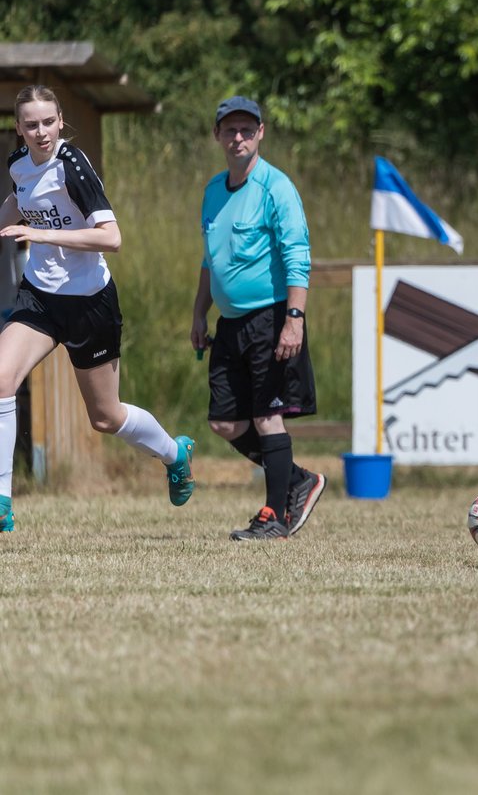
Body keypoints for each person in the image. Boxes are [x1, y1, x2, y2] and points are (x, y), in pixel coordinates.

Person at [0, 84, 195, 532]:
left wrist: (42, 235)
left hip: (90, 302)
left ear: (61, 121)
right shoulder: (18, 164)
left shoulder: (73, 166)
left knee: (105, 418)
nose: (41, 132)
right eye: (31, 124)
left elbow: (112, 238)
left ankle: (174, 453)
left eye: (48, 122)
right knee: (2, 377)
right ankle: (3, 502)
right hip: (41, 297)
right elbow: (18, 198)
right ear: (19, 129)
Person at [189, 96, 326, 541]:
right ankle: (299, 479)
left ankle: (276, 516)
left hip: (270, 318)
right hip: (229, 324)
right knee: (225, 422)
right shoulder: (213, 191)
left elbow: (298, 256)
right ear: (218, 136)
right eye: (230, 130)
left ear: (261, 132)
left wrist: (294, 318)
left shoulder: (276, 188)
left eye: (247, 129)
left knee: (269, 417)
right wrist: (199, 314)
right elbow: (211, 261)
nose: (238, 137)